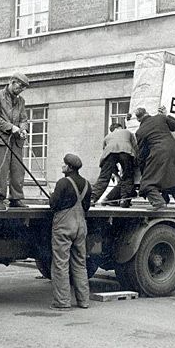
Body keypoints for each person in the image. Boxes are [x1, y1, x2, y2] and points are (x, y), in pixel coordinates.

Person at [49, 154, 92, 311]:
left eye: (64, 164)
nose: (62, 166)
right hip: (81, 226)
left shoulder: (63, 183)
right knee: (80, 263)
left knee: (61, 263)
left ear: (69, 168)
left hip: (64, 226)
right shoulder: (87, 184)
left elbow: (53, 205)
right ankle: (83, 301)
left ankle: (62, 302)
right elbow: (86, 207)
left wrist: (51, 195)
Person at [0, 73, 30, 211]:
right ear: (12, 82)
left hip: (16, 142)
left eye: (24, 87)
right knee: (1, 170)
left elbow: (24, 118)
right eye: (20, 85)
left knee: (18, 170)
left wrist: (23, 129)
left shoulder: (21, 101)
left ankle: (16, 198)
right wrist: (11, 127)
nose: (22, 89)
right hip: (0, 141)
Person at [135, 106, 175, 210]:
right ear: (147, 112)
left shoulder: (140, 131)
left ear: (138, 119)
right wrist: (166, 115)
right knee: (173, 177)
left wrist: (144, 172)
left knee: (147, 184)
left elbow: (142, 154)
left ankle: (159, 203)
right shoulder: (160, 118)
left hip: (160, 152)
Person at [91, 122, 137, 208]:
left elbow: (107, 156)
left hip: (109, 153)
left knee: (103, 178)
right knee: (128, 177)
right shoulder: (127, 132)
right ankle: (124, 200)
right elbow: (135, 147)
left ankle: (92, 198)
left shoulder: (107, 137)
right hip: (126, 151)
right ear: (120, 128)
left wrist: (116, 174)